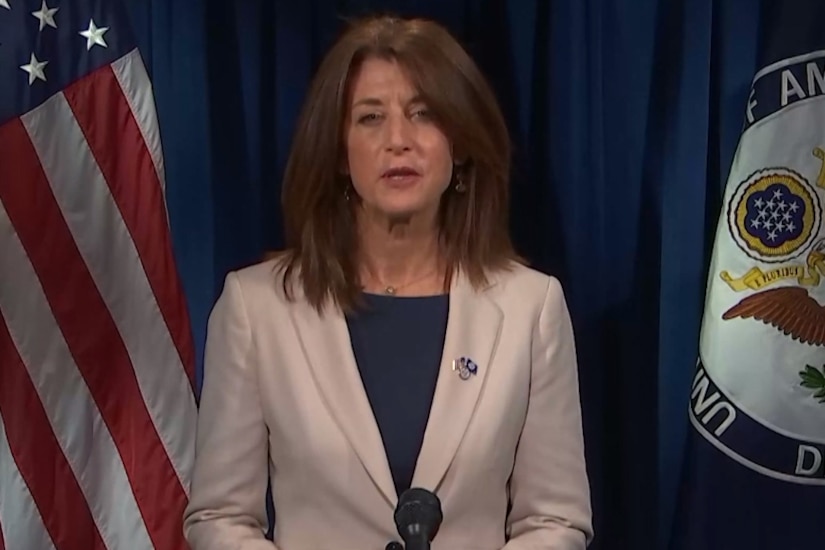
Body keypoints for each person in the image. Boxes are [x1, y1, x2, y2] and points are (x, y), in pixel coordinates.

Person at [182, 13, 593, 550]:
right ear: (336, 150)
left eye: (423, 114)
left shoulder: (530, 308)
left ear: (460, 144)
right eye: (370, 118)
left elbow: (555, 520)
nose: (398, 140)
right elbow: (219, 518)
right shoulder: (257, 308)